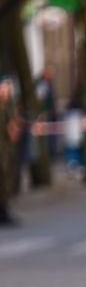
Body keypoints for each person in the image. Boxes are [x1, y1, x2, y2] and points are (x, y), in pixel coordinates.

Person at [0, 76, 21, 225]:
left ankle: (4, 209)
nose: (7, 92)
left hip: (6, 151)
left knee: (6, 180)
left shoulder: (8, 107)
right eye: (4, 88)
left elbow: (13, 128)